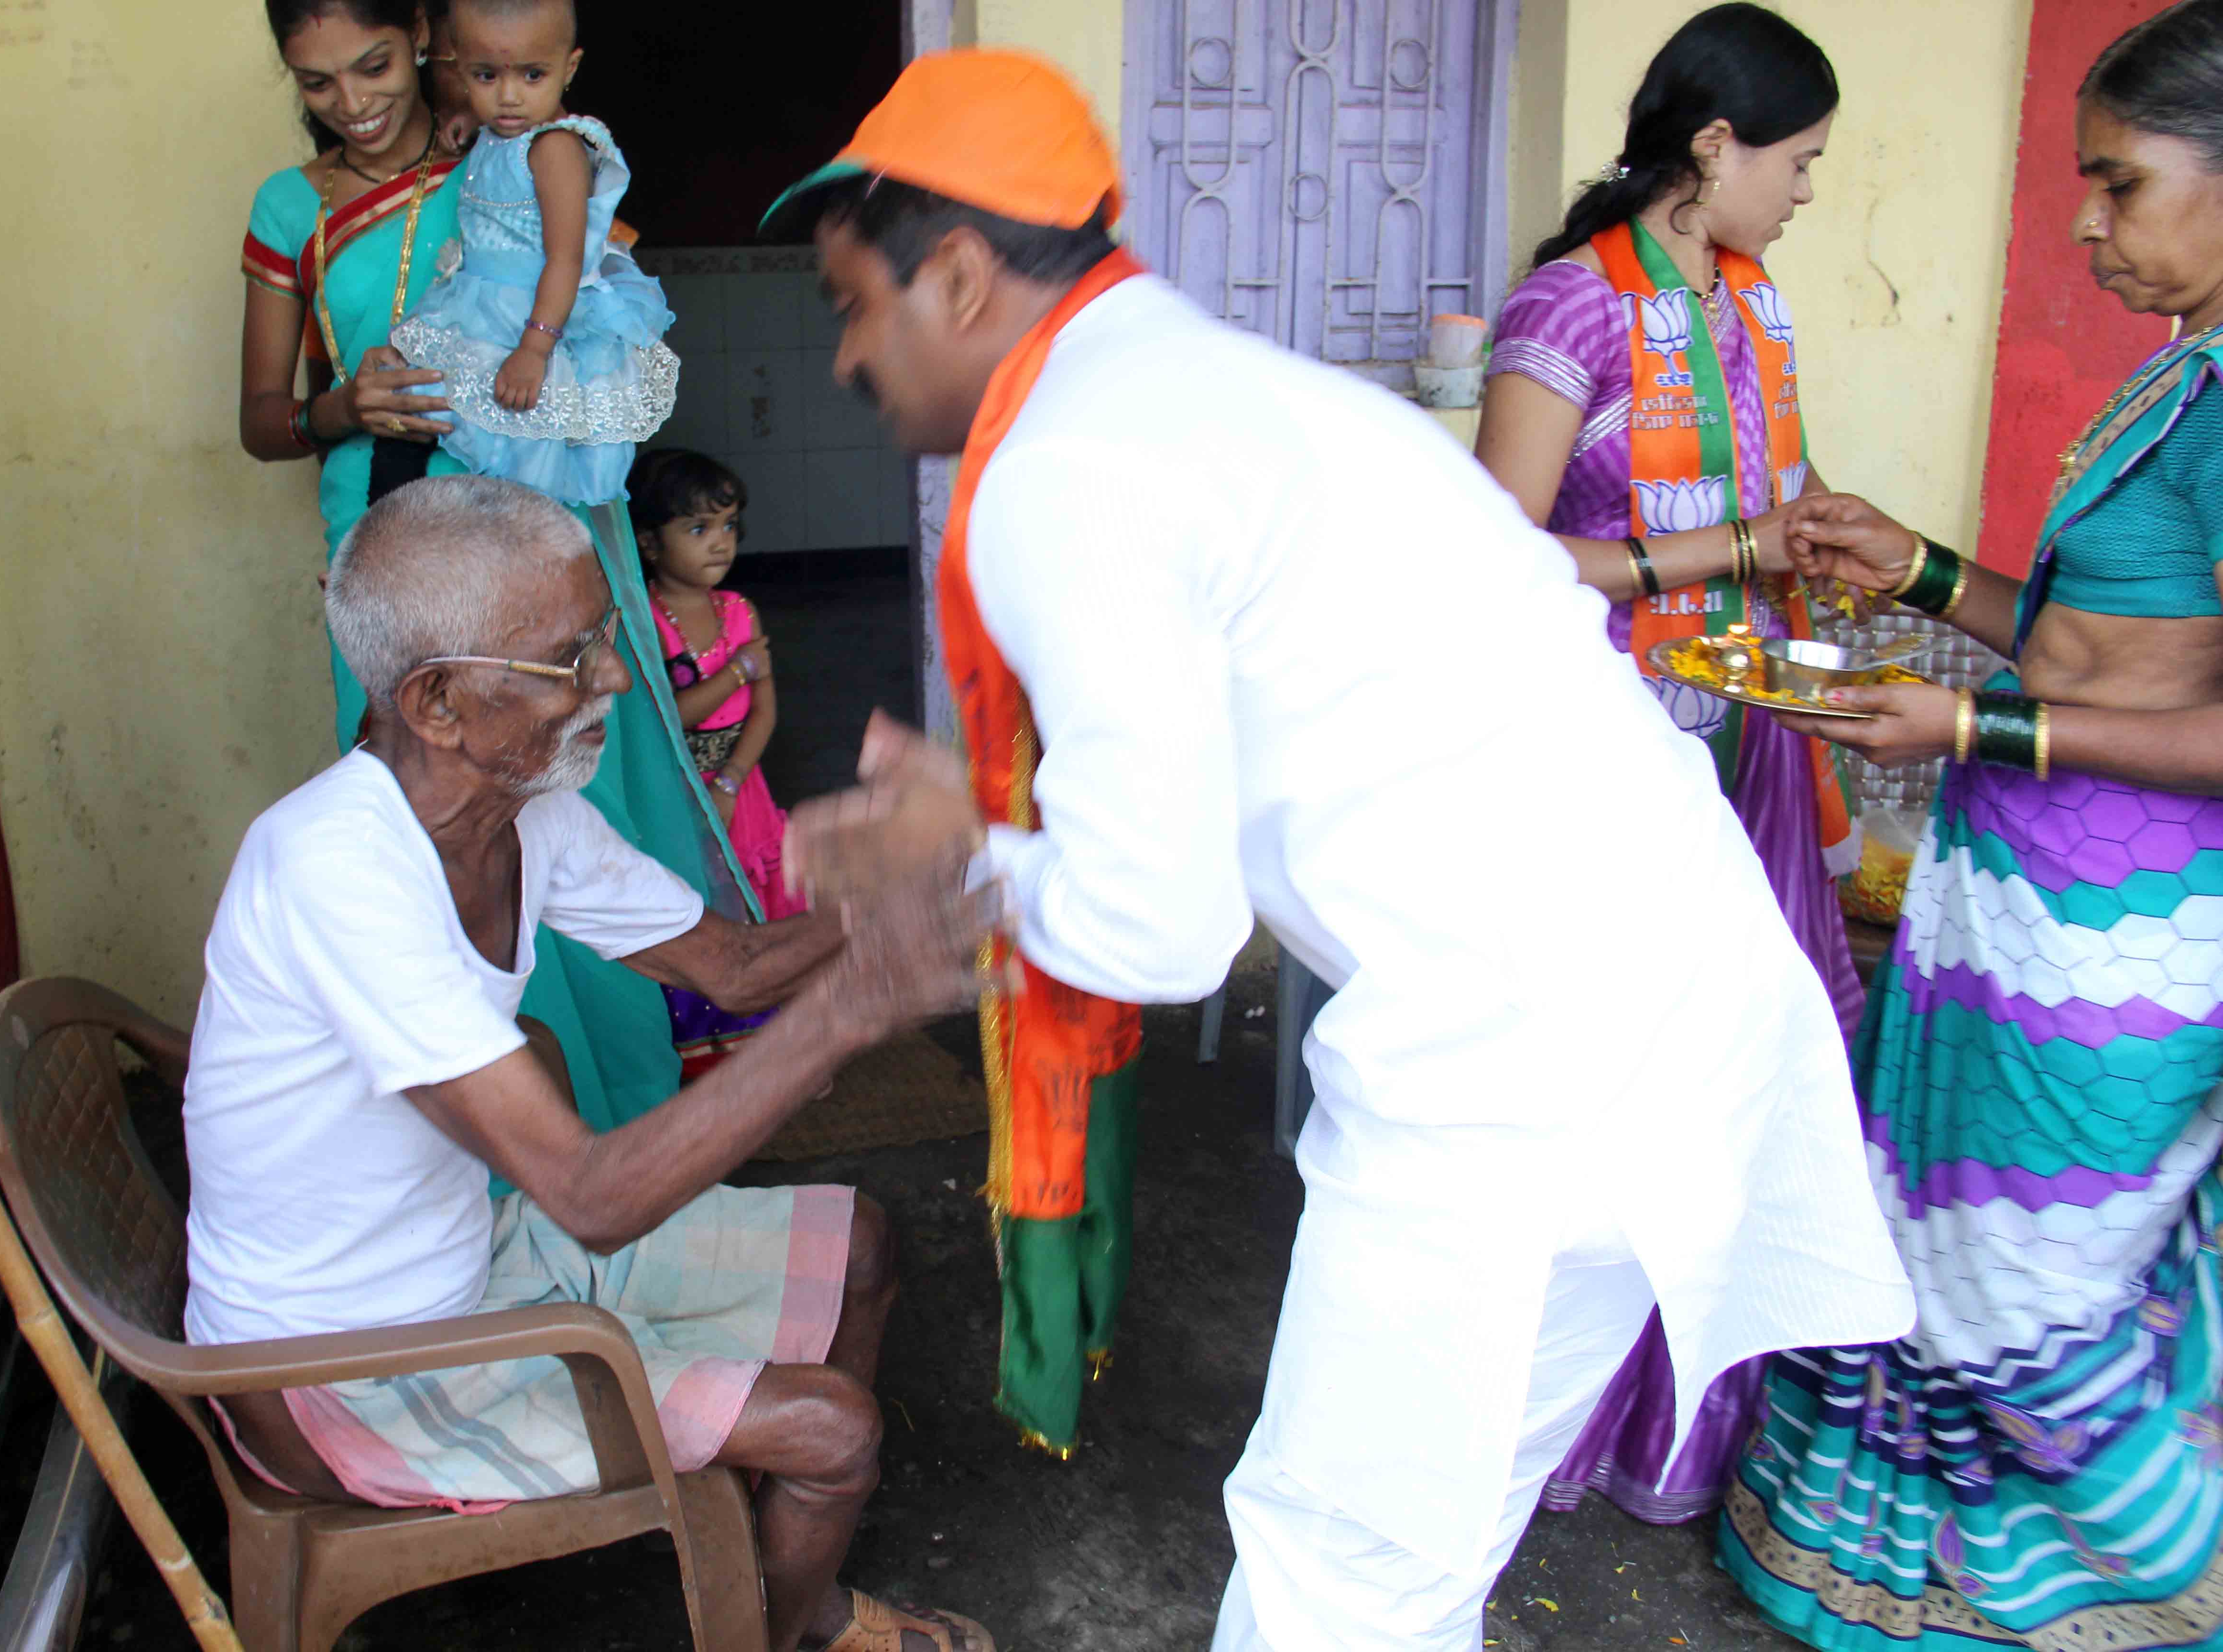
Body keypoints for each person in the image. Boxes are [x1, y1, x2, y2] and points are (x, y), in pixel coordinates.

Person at [767, 48, 1915, 1650]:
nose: (842, 357)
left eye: (851, 306)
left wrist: (967, 855)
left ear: (956, 276)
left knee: (1342, 1576)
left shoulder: (1069, 465)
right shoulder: (1226, 390)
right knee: (1401, 1563)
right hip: (1656, 1009)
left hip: (1522, 1065)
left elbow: (1156, 930)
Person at [184, 475, 999, 1652]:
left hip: (469, 1263)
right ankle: (792, 1606)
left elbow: (735, 966)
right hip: (341, 1369)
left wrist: (909, 887)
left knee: (860, 1245)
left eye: (607, 633)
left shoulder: (522, 811)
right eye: (571, 657)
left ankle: (765, 1552)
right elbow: (592, 1196)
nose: (614, 675)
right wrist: (854, 1005)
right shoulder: (335, 869)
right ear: (437, 702)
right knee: (835, 1430)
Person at [1720, 5, 2223, 1643]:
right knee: (1934, 1243)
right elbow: (2086, 643)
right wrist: (1919, 567)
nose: (2083, 222)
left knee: (2029, 1284)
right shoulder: (2181, 373)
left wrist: (1970, 725)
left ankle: (2131, 1587)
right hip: (2020, 897)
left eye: (2119, 182)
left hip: (2120, 937)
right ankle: (1921, 1582)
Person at [1475, 1, 1857, 1529]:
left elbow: (1773, 484)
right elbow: (1499, 556)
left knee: (1731, 1090)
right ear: (1714, 147)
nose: (1808, 191)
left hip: (1746, 739)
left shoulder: (1749, 299)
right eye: (1798, 161)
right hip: (1617, 770)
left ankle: (1691, 1423)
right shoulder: (1572, 308)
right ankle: (1567, 1424)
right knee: (1622, 1108)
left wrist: (1817, 533)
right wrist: (1727, 550)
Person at [239, 0, 752, 1134]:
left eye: (375, 65)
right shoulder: (291, 207)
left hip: (537, 531)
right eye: (316, 83)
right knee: (427, 815)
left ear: (423, 41)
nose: (353, 102)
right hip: (388, 545)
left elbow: (600, 298)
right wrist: (343, 406)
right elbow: (261, 420)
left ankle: (621, 1125)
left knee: (577, 800)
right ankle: (486, 1132)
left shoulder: (511, 153)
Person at [387, 0, 678, 506]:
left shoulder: (554, 148)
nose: (508, 96)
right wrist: (471, 121)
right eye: (486, 76)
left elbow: (566, 259)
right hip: (481, 310)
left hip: (531, 321)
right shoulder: (498, 132)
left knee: (526, 461)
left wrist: (535, 349)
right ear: (459, 68)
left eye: (533, 75)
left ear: (570, 67)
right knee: (479, 462)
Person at [633, 448, 804, 924]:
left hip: (741, 788)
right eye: (699, 529)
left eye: (729, 526)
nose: (720, 543)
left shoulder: (740, 612)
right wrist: (737, 672)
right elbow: (665, 719)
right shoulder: (644, 622)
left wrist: (730, 783)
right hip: (679, 794)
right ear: (650, 544)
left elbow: (764, 713)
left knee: (752, 893)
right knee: (697, 903)